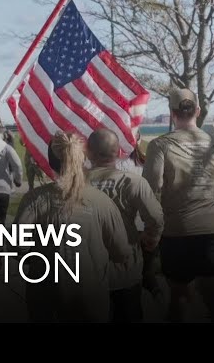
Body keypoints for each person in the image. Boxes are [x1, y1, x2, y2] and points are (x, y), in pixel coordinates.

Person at [142, 88, 214, 323]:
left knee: (179, 298)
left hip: (177, 230)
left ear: (171, 113)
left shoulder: (160, 145)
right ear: (197, 110)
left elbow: (151, 187)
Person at [13, 131, 131, 323]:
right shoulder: (102, 201)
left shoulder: (34, 200)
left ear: (51, 162)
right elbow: (122, 252)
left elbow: (17, 247)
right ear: (81, 160)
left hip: (45, 295)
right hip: (90, 296)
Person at [86, 128, 164, 322]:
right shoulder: (133, 182)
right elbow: (155, 218)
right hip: (125, 268)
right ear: (119, 151)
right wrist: (151, 239)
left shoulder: (76, 183)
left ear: (88, 152)